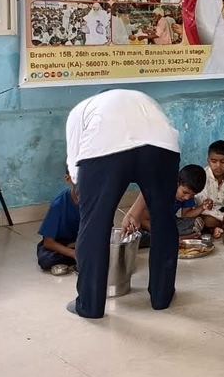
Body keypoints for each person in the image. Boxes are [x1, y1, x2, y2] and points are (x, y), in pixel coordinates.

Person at [66, 89, 182, 319]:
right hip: (162, 148)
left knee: (94, 227)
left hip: (104, 150)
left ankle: (90, 305)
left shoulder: (81, 109)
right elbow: (146, 155)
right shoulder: (146, 99)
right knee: (164, 221)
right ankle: (162, 296)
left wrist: (90, 197)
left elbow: (74, 161)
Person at [125, 165, 209, 241]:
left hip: (168, 222)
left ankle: (170, 238)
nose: (187, 197)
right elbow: (142, 219)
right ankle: (173, 238)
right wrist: (162, 232)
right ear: (177, 183)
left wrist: (202, 207)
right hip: (149, 224)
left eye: (192, 195)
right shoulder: (161, 190)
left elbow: (186, 215)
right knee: (136, 236)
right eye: (185, 192)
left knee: (197, 223)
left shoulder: (188, 196)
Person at [37, 171, 80, 271]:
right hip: (61, 243)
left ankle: (81, 256)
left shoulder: (95, 201)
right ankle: (78, 257)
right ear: (68, 179)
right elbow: (48, 242)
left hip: (84, 242)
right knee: (46, 260)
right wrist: (73, 253)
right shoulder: (58, 204)